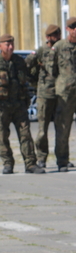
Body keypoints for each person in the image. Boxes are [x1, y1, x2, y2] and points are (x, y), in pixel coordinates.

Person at [0, 35, 44, 175]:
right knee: (3, 136)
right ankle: (8, 163)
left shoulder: (19, 62)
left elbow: (28, 78)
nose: (10, 47)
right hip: (2, 107)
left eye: (12, 44)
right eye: (7, 44)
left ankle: (30, 164)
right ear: (0, 46)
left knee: (25, 135)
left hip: (19, 105)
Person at [26, 24, 61, 169]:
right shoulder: (41, 51)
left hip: (60, 93)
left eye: (58, 35)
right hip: (44, 94)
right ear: (48, 37)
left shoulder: (62, 49)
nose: (58, 38)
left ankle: (62, 158)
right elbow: (27, 65)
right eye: (55, 36)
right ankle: (41, 157)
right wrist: (35, 83)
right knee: (42, 130)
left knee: (62, 129)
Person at [50, 17, 76, 172]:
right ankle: (62, 160)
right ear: (68, 29)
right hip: (65, 94)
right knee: (63, 128)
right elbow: (51, 70)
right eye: (73, 27)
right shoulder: (59, 47)